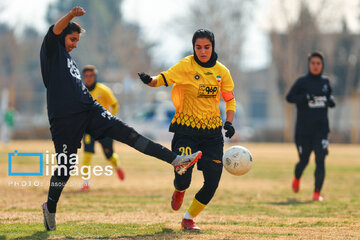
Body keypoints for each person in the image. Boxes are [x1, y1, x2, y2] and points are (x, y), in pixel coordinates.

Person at [40, 6, 202, 231]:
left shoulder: (67, 57)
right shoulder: (51, 48)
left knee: (129, 134)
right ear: (62, 34)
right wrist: (70, 16)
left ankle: (176, 161)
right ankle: (50, 206)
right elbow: (55, 30)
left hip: (90, 110)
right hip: (64, 119)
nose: (75, 44)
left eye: (77, 40)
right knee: (66, 167)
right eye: (72, 39)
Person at [138, 29, 236, 231]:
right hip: (186, 132)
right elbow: (163, 79)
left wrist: (229, 122)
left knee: (212, 182)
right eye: (198, 47)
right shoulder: (185, 65)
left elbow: (230, 98)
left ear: (213, 47)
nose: (202, 51)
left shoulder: (222, 72)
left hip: (212, 135)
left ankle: (188, 218)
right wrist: (150, 81)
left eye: (206, 47)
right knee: (184, 179)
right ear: (194, 48)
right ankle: (179, 189)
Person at [286, 51, 336, 201]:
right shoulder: (302, 81)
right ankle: (297, 177)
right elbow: (289, 97)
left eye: (318, 63)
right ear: (309, 65)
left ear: (322, 65)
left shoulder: (326, 82)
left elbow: (330, 97)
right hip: (303, 131)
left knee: (320, 159)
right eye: (313, 63)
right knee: (304, 161)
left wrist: (331, 100)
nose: (315, 66)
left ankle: (316, 193)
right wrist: (304, 98)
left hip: (321, 130)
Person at [80, 65, 124, 191]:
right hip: (89, 129)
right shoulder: (80, 91)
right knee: (87, 154)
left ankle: (118, 167)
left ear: (95, 77)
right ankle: (86, 182)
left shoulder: (103, 90)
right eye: (86, 76)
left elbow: (115, 105)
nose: (88, 79)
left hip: (104, 129)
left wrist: (110, 120)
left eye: (91, 76)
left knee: (109, 155)